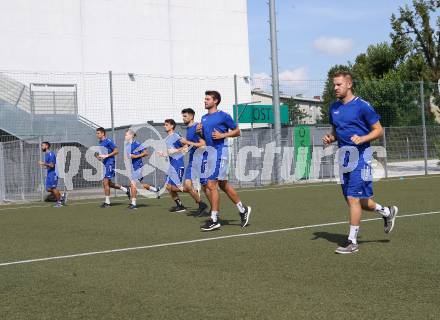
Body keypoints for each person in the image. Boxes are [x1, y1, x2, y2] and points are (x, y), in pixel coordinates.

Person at [322, 71, 398, 254]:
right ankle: (387, 212)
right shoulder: (334, 108)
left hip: (361, 157)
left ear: (349, 84)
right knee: (359, 202)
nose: (335, 88)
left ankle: (352, 242)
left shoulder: (362, 106)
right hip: (344, 157)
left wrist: (363, 138)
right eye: (334, 84)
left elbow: (379, 130)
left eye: (338, 84)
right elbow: (336, 130)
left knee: (353, 198)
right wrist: (330, 138)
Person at [197, 90, 251, 231]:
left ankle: (214, 219)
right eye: (205, 99)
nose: (205, 101)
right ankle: (242, 209)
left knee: (211, 184)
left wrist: (223, 134)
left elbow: (237, 131)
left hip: (220, 153)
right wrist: (199, 133)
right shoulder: (203, 118)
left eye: (207, 99)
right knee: (223, 185)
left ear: (215, 101)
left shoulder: (223, 116)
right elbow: (205, 137)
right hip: (210, 154)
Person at [179, 108, 209, 216]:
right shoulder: (188, 129)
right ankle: (201, 204)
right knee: (187, 185)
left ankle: (214, 209)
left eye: (185, 116)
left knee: (206, 186)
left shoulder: (197, 127)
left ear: (191, 117)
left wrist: (186, 142)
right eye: (183, 116)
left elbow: (203, 144)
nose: (183, 118)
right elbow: (191, 144)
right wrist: (185, 148)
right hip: (192, 160)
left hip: (201, 159)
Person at [124, 129, 161, 210]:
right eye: (125, 135)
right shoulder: (127, 146)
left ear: (132, 135)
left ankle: (133, 204)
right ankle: (155, 189)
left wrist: (136, 156)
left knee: (133, 184)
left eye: (126, 135)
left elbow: (146, 153)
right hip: (133, 168)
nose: (125, 136)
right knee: (137, 186)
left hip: (139, 167)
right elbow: (127, 157)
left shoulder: (137, 144)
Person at [95, 127, 129, 208]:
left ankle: (107, 202)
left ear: (103, 133)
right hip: (105, 163)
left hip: (110, 163)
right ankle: (126, 189)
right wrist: (100, 157)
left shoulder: (108, 141)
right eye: (96, 133)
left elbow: (116, 151)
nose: (97, 135)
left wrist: (107, 155)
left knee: (105, 182)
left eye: (98, 133)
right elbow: (104, 154)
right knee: (109, 183)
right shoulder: (100, 142)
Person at [39, 142, 65, 208]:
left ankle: (59, 203)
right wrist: (45, 166)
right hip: (49, 173)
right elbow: (49, 165)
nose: (41, 147)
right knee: (48, 189)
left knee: (53, 188)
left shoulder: (51, 154)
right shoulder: (46, 154)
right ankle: (61, 196)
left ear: (47, 146)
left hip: (53, 173)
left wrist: (43, 164)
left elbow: (52, 165)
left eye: (42, 145)